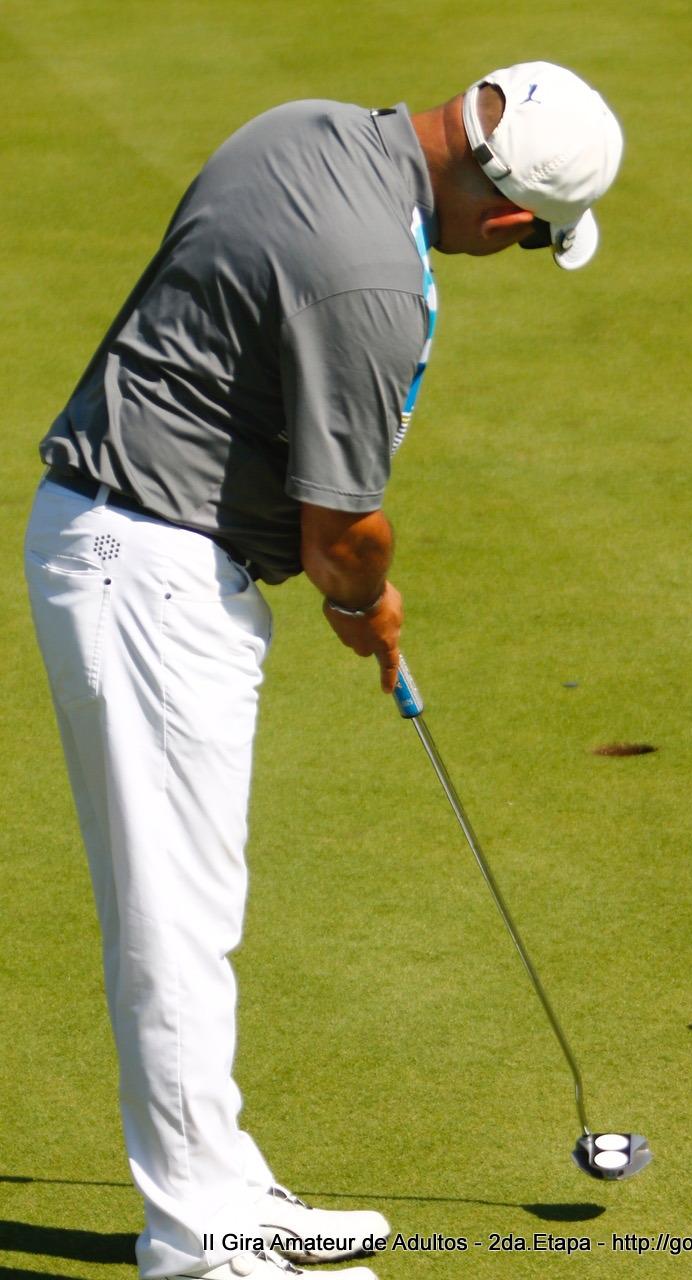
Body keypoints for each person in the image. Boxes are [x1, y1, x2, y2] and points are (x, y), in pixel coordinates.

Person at [24, 61, 623, 1280]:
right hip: (152, 566)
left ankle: (230, 1189)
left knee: (197, 903)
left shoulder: (303, 126)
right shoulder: (375, 283)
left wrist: (351, 585)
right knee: (176, 917)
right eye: (529, 241)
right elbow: (342, 531)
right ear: (511, 216)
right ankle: (202, 1242)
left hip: (128, 535)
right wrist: (366, 602)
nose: (510, 251)